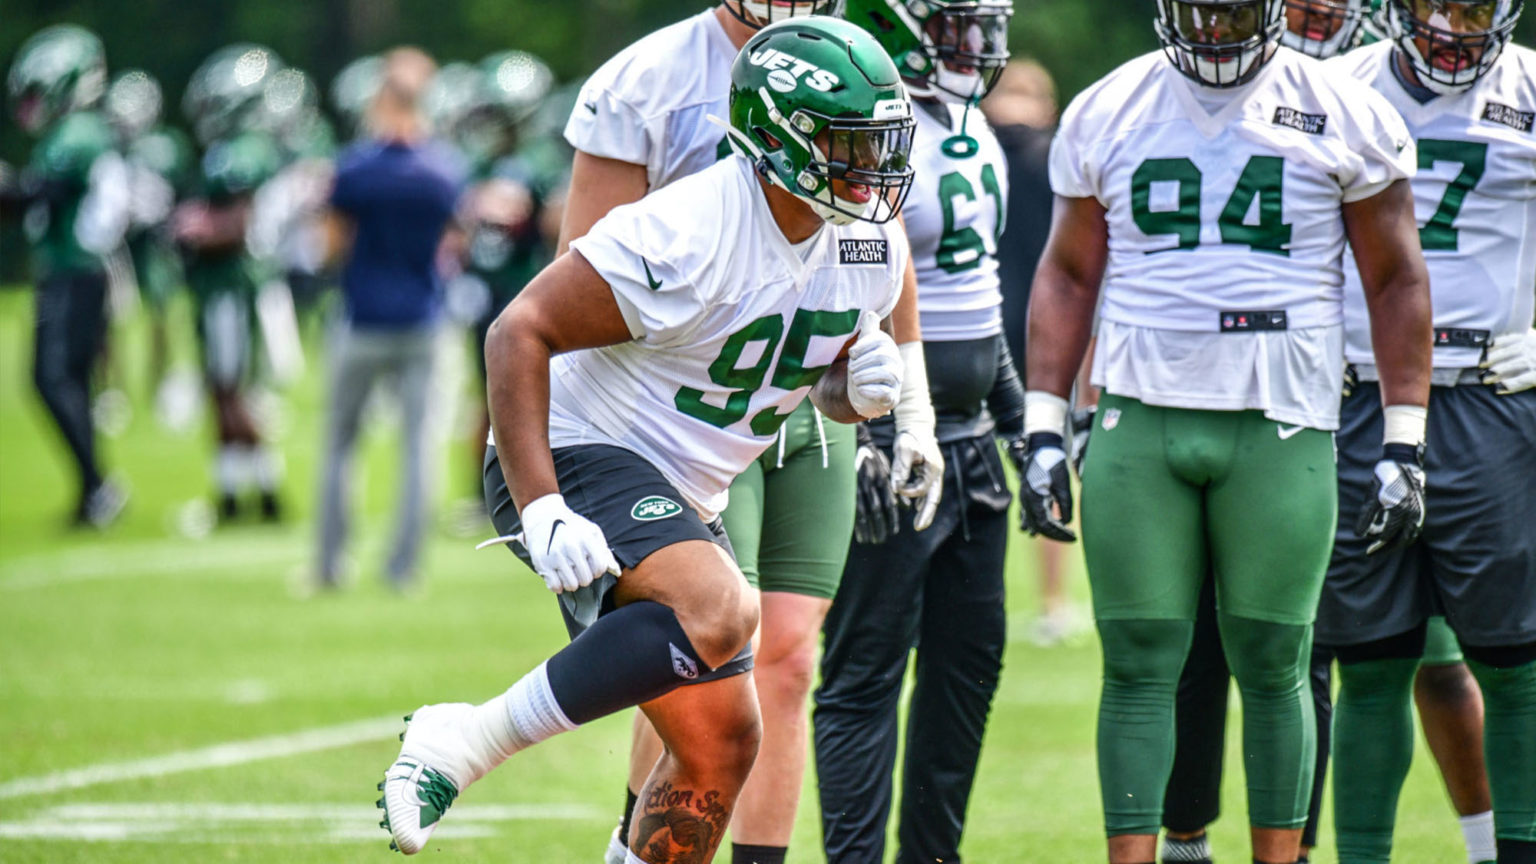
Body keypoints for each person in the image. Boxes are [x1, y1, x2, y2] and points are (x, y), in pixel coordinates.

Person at [377, 19, 921, 864]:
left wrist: (849, 393)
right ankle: (466, 738)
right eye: (850, 143)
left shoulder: (866, 240)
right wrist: (544, 505)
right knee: (722, 607)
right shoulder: (690, 228)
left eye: (881, 142)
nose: (872, 168)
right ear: (781, 137)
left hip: (684, 484)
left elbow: (794, 380)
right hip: (577, 447)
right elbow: (516, 332)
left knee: (720, 747)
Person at [1015, 2, 1433, 862]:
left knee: (1277, 661)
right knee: (1136, 663)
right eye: (1199, 11)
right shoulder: (1109, 105)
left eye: (1233, 10)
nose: (1214, 30)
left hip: (1281, 420)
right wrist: (1045, 426)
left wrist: (1404, 438)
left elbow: (1395, 279)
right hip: (1140, 413)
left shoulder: (1345, 109)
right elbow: (1065, 272)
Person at [556, 4, 939, 863]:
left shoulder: (855, 60)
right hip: (687, 400)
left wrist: (905, 403)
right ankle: (642, 849)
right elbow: (581, 265)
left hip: (807, 382)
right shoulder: (646, 78)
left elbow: (881, 242)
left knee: (793, 657)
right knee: (703, 644)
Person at [1155, 5, 1494, 863]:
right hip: (1297, 392)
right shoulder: (1241, 93)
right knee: (1269, 649)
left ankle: (1484, 842)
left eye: (1325, 9)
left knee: (1440, 662)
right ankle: (1255, 842)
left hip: (1449, 393)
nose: (1311, 21)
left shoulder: (1373, 91)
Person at [1318, 2, 1535, 861]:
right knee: (1368, 664)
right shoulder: (1337, 88)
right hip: (1358, 394)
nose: (1453, 24)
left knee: (1513, 663)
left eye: (1476, 6)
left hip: (1489, 391)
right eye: (1437, 3)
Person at [815, 2, 1017, 863]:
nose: (974, 47)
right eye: (954, 27)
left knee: (968, 672)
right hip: (894, 438)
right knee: (865, 674)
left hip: (973, 448)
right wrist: (867, 433)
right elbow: (834, 299)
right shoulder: (858, 134)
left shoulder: (971, 128)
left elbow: (978, 302)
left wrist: (1028, 422)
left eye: (980, 27)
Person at [316, 47, 465, 591]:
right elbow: (455, 243)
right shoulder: (444, 169)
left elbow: (330, 248)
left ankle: (330, 565)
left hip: (361, 319)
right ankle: (403, 569)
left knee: (339, 444)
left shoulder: (354, 167)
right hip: (424, 319)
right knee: (419, 447)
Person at [6, 25, 129, 528]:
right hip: (77, 271)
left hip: (75, 271)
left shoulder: (77, 133)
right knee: (63, 380)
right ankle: (93, 489)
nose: (33, 106)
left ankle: (97, 486)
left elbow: (43, 194)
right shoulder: (78, 130)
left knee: (53, 379)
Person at [982, 57, 1081, 646]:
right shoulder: (1057, 156)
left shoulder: (974, 151)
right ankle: (1053, 603)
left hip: (978, 328)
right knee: (1050, 459)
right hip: (1046, 331)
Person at [174, 44, 287, 523]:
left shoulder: (246, 149)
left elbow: (241, 224)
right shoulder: (232, 148)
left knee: (230, 387)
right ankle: (232, 495)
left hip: (233, 287)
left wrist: (197, 227)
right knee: (219, 389)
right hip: (219, 287)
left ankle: (267, 493)